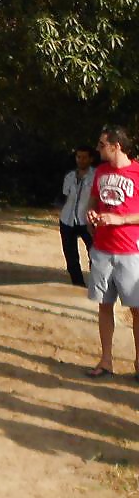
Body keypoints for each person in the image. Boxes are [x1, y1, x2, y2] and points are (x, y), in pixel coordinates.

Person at [84, 125, 139, 380]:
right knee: (105, 306)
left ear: (116, 146)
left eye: (102, 144)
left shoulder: (138, 172)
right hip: (103, 250)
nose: (97, 149)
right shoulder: (100, 173)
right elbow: (93, 203)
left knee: (136, 309)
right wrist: (91, 216)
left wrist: (120, 220)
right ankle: (106, 361)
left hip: (130, 251)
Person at [58, 145, 95, 287]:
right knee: (70, 255)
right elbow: (65, 196)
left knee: (94, 253)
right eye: (78, 157)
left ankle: (95, 283)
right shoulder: (70, 176)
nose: (81, 160)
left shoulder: (96, 175)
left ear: (91, 159)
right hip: (67, 219)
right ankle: (78, 284)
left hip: (86, 220)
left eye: (84, 157)